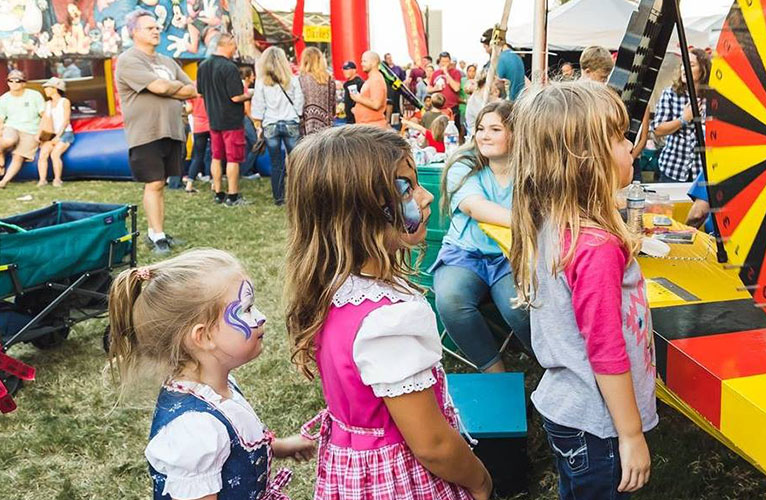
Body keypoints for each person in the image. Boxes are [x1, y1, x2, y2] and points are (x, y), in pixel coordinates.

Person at [283, 126, 493, 500]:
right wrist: (479, 480)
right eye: (407, 187)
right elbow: (432, 444)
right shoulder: (387, 322)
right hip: (402, 482)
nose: (426, 196)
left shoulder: (335, 290)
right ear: (359, 212)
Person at [509, 82, 657, 499]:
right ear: (586, 159)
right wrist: (630, 435)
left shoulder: (554, 221)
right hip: (602, 430)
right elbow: (606, 351)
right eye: (619, 137)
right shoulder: (594, 247)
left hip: (571, 414)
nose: (630, 147)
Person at [106, 249, 315, 500]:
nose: (261, 317)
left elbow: (236, 442)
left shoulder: (217, 389)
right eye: (247, 309)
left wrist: (281, 447)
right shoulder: (194, 428)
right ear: (203, 337)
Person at [431, 101, 530, 373]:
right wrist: (528, 223)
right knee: (451, 300)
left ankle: (555, 365)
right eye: (480, 128)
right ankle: (494, 372)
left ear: (516, 133)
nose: (484, 135)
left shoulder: (530, 171)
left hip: (511, 257)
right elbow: (474, 206)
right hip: (464, 254)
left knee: (517, 307)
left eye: (495, 129)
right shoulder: (463, 165)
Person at [114, 9, 196, 255]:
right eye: (150, 28)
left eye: (157, 27)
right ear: (134, 33)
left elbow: (192, 89)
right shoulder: (129, 60)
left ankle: (156, 231)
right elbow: (159, 86)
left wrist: (168, 89)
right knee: (154, 182)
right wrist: (172, 88)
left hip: (171, 130)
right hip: (146, 133)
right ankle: (157, 236)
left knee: (161, 184)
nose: (157, 30)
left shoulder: (167, 61)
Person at [197, 33, 253, 206]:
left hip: (213, 118)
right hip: (231, 120)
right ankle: (233, 196)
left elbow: (200, 93)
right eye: (234, 45)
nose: (235, 49)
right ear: (227, 45)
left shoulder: (203, 66)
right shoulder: (229, 68)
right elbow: (236, 97)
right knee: (232, 158)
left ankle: (218, 192)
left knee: (216, 156)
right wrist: (250, 94)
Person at [251, 46, 303, 206]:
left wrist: (258, 121)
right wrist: (297, 113)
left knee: (276, 163)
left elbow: (258, 105)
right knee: (295, 162)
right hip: (290, 122)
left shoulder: (261, 82)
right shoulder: (292, 80)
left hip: (271, 124)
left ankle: (279, 197)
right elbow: (300, 100)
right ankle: (297, 196)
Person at [650, 48, 711, 182]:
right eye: (683, 64)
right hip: (673, 169)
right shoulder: (671, 94)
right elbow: (657, 130)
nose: (685, 68)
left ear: (703, 70)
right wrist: (683, 119)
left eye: (691, 65)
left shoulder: (713, 99)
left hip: (702, 171)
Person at [0, 70, 45, 189]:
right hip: (12, 127)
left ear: (24, 83)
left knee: (18, 156)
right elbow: (1, 120)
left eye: (18, 80)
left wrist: (41, 134)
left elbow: (44, 116)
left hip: (31, 131)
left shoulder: (34, 95)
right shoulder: (4, 99)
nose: (14, 83)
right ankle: (0, 154)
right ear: (8, 82)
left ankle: (4, 181)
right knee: (9, 139)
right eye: (11, 80)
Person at [37, 77, 74, 187]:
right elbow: (44, 120)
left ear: (55, 88)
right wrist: (39, 135)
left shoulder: (64, 102)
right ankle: (42, 180)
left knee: (55, 154)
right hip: (51, 135)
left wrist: (58, 136)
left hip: (65, 133)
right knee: (43, 154)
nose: (45, 90)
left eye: (47, 87)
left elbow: (66, 120)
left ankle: (57, 179)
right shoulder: (47, 104)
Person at [480, 28, 526, 100]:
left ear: (492, 44)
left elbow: (493, 85)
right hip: (519, 101)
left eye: (485, 47)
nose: (486, 51)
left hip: (508, 104)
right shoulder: (516, 56)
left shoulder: (500, 59)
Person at [299, 47, 335, 136]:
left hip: (306, 124)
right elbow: (333, 104)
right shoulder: (329, 80)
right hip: (326, 124)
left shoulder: (301, 79)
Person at [350, 51, 388, 128]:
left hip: (372, 127)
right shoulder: (372, 79)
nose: (361, 64)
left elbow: (376, 104)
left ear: (374, 63)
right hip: (367, 126)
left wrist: (358, 98)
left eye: (364, 61)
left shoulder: (376, 79)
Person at [184, 88, 211, 193]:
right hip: (212, 124)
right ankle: (214, 183)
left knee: (197, 156)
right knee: (215, 155)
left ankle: (189, 184)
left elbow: (188, 109)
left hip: (198, 126)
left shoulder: (192, 86)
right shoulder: (211, 83)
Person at [430, 51, 463, 133]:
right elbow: (429, 88)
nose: (445, 64)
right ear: (439, 62)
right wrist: (435, 89)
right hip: (438, 108)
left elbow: (456, 88)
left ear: (450, 61)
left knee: (454, 132)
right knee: (439, 132)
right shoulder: (435, 73)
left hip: (451, 108)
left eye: (447, 61)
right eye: (443, 62)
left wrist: (446, 73)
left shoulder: (456, 72)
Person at [340, 60, 364, 125]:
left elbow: (364, 98)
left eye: (347, 69)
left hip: (357, 120)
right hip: (349, 119)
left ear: (354, 70)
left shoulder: (359, 82)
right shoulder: (346, 84)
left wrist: (357, 108)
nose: (345, 71)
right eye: (344, 69)